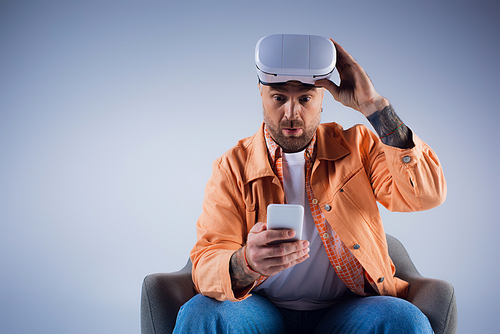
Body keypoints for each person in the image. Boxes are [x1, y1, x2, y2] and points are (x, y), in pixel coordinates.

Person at [173, 36, 446, 333]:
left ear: (322, 99)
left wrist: (375, 107)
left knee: (405, 319)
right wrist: (246, 262)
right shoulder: (232, 166)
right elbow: (207, 260)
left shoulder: (359, 147)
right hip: (260, 308)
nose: (292, 114)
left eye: (305, 98)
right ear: (261, 94)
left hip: (348, 308)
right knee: (199, 312)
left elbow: (425, 195)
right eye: (279, 98)